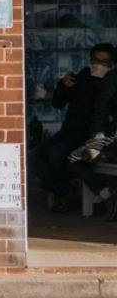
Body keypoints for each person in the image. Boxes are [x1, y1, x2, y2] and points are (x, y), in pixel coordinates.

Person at [34, 44, 117, 207]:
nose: (99, 65)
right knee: (37, 156)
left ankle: (67, 192)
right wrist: (63, 86)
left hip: (91, 133)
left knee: (58, 154)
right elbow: (58, 103)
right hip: (71, 129)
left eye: (104, 62)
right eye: (95, 60)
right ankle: (63, 190)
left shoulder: (112, 82)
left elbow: (103, 114)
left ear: (113, 64)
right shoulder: (82, 77)